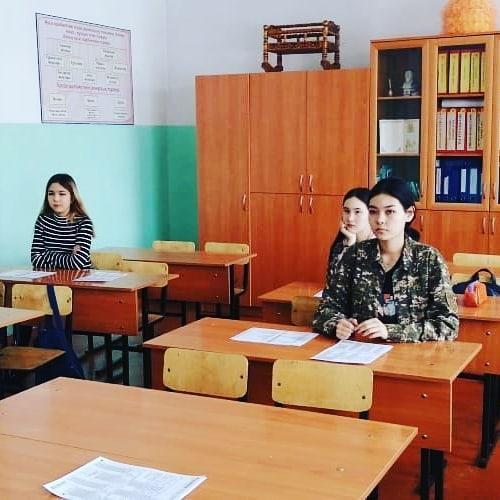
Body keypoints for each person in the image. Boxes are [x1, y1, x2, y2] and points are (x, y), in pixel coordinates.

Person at [313, 177, 458, 343]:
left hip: (412, 353)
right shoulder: (354, 256)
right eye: (373, 211)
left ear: (409, 214)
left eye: (389, 212)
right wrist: (337, 324)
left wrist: (390, 331)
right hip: (360, 349)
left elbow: (448, 325)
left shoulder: (428, 260)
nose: (380, 220)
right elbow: (325, 310)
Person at [31, 173, 94, 270]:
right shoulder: (42, 220)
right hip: (51, 277)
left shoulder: (84, 223)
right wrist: (69, 258)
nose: (56, 199)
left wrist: (47, 254)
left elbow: (77, 263)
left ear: (72, 198)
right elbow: (35, 259)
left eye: (62, 194)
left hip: (80, 278)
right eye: (51, 193)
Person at [327, 187, 374, 268]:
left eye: (357, 212)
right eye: (347, 211)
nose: (350, 218)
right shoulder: (343, 242)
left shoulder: (378, 246)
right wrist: (350, 242)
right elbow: (333, 275)